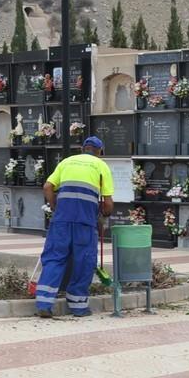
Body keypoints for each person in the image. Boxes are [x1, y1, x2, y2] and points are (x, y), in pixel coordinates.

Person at [35, 136, 114, 318]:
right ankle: (78, 307)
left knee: (54, 258)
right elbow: (108, 204)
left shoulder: (66, 162)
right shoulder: (101, 166)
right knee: (84, 261)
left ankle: (44, 303)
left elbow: (47, 186)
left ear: (82, 149)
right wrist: (104, 215)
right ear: (100, 152)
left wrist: (55, 207)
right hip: (85, 223)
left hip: (61, 221)